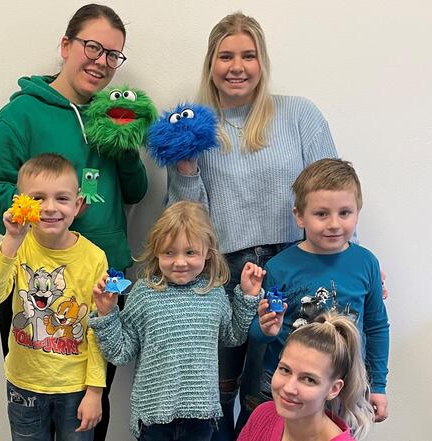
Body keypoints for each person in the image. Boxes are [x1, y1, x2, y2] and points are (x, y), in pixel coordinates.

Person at [0, 6, 146, 438]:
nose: (102, 62)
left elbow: (137, 191)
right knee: (32, 401)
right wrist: (39, 217)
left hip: (102, 276)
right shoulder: (22, 114)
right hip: (33, 275)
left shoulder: (112, 114)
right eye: (93, 47)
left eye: (113, 55)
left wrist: (125, 144)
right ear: (66, 46)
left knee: (90, 407)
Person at [165, 12, 338, 439]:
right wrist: (185, 168)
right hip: (220, 271)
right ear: (211, 62)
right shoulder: (193, 125)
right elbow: (184, 219)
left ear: (262, 61)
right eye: (226, 56)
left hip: (292, 267)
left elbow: (332, 194)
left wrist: (353, 258)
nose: (237, 67)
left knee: (275, 389)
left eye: (248, 55)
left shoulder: (299, 114)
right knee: (216, 390)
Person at [88, 201, 281, 440]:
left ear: (207, 252)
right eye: (169, 252)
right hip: (154, 416)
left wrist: (248, 297)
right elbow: (120, 353)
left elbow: (233, 336)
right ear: (156, 251)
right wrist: (107, 313)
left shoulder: (214, 293)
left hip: (201, 419)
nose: (180, 262)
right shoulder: (144, 294)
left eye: (190, 252)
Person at [0, 153, 108, 441]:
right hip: (24, 384)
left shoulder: (95, 257)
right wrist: (12, 239)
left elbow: (98, 328)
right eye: (38, 198)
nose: (50, 207)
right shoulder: (17, 246)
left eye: (61, 198)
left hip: (75, 387)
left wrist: (95, 391)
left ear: (77, 204)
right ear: (20, 204)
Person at [250, 158, 390, 424]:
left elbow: (377, 327)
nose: (334, 224)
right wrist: (266, 330)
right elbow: (258, 334)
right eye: (322, 214)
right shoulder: (278, 267)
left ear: (357, 212)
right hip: (289, 387)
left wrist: (379, 385)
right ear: (299, 216)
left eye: (344, 213)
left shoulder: (367, 263)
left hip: (344, 386)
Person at [238, 312, 376, 440]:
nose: (288, 388)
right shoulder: (264, 414)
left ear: (334, 389)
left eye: (309, 379)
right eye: (285, 370)